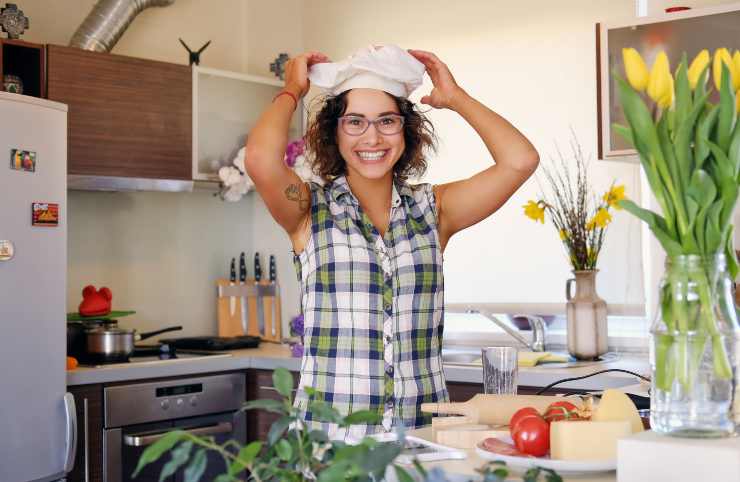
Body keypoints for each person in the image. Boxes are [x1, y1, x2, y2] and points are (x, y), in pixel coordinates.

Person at [245, 45, 539, 440]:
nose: (372, 136)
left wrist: (456, 99)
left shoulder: (433, 210)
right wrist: (291, 91)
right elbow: (262, 160)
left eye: (387, 121)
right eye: (355, 122)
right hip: (332, 445)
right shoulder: (308, 210)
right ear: (335, 131)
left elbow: (519, 160)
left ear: (406, 129)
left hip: (421, 442)